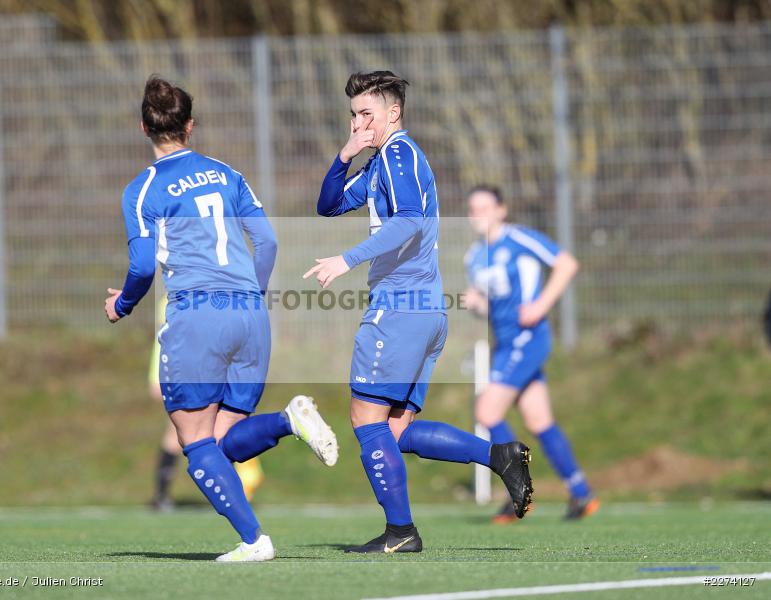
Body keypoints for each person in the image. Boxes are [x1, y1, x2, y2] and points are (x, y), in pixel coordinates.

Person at [105, 76, 338, 562]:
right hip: (250, 313)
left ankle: (255, 541)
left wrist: (121, 305)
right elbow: (269, 242)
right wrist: (252, 295)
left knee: (194, 444)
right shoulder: (227, 174)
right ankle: (288, 420)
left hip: (198, 316)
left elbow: (143, 267)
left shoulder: (143, 189)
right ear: (190, 126)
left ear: (143, 128)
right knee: (224, 444)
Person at [304, 71, 533, 553]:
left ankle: (401, 532)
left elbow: (408, 222)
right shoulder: (378, 163)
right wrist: (345, 155)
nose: (359, 123)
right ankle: (499, 455)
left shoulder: (399, 154)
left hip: (400, 309)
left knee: (366, 419)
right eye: (353, 115)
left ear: (394, 113)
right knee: (396, 430)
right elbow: (327, 205)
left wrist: (347, 259)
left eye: (368, 114)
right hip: (426, 311)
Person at [463, 184, 599, 521]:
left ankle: (518, 490)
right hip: (506, 344)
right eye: (472, 209)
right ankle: (582, 495)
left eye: (484, 207)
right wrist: (477, 306)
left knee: (487, 411)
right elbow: (488, 307)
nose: (477, 214)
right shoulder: (474, 257)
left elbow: (567, 264)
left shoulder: (519, 238)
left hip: (528, 338)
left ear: (501, 210)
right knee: (539, 420)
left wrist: (541, 305)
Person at [147, 294, 264, 511]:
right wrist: (156, 375)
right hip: (186, 372)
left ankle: (233, 489)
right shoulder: (174, 297)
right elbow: (163, 340)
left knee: (215, 430)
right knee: (180, 434)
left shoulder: (215, 293)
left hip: (208, 372)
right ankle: (163, 494)